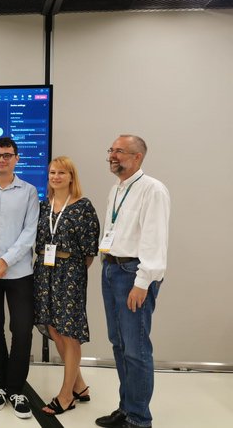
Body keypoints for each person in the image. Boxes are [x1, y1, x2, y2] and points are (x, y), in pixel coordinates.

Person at [95, 135, 170, 428]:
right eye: (111, 150)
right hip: (112, 269)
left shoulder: (153, 190)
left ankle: (140, 419)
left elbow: (154, 239)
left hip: (134, 275)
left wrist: (143, 282)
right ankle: (126, 409)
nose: (112, 155)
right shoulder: (117, 189)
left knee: (136, 349)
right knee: (119, 344)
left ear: (137, 157)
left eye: (119, 151)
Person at [0, 137, 39, 419]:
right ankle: (2, 386)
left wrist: (5, 260)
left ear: (16, 158)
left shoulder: (29, 192)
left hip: (19, 273)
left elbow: (30, 233)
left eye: (7, 155)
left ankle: (17, 389)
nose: (2, 159)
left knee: (22, 330)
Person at [32, 156, 100, 415]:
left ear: (72, 177)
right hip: (43, 273)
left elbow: (89, 252)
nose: (56, 177)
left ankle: (66, 395)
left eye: (62, 172)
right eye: (52, 172)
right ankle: (80, 385)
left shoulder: (83, 207)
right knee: (53, 327)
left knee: (70, 333)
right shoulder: (43, 206)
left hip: (69, 274)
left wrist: (72, 274)